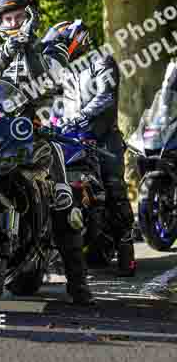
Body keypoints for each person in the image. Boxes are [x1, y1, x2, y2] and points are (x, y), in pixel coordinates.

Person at [0, 0, 94, 305]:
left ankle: (78, 284)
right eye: (7, 18)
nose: (14, 22)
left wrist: (28, 49)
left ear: (30, 16)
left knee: (64, 200)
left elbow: (51, 80)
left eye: (19, 16)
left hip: (37, 134)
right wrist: (6, 53)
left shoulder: (49, 49)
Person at [42, 20, 136, 276]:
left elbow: (106, 95)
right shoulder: (63, 69)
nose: (59, 49)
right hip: (71, 136)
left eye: (61, 44)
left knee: (113, 188)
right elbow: (53, 99)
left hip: (103, 137)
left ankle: (127, 249)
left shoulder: (101, 59)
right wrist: (48, 119)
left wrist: (80, 116)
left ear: (77, 39)